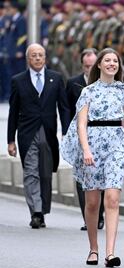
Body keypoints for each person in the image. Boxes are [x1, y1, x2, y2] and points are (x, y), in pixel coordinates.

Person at [61, 48, 124, 268]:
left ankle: (110, 252)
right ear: (98, 64)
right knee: (92, 202)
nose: (112, 64)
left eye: (115, 61)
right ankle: (94, 248)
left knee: (112, 198)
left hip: (116, 145)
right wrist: (86, 149)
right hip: (92, 146)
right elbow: (81, 124)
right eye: (107, 60)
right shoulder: (88, 91)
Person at [7, 43, 70, 229]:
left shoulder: (56, 78)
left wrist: (66, 132)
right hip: (27, 133)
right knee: (31, 172)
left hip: (49, 133)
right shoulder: (18, 80)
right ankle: (36, 212)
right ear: (28, 59)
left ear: (45, 58)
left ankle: (42, 209)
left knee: (45, 173)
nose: (37, 58)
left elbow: (64, 107)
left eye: (40, 55)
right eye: (33, 55)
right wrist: (10, 140)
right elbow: (13, 111)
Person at [66, 48, 105, 231]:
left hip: (103, 137)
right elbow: (66, 109)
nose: (89, 69)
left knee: (103, 177)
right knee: (83, 176)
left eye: (92, 65)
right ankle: (88, 217)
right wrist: (68, 132)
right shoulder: (73, 83)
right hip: (80, 135)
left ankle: (100, 213)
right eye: (86, 66)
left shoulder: (109, 84)